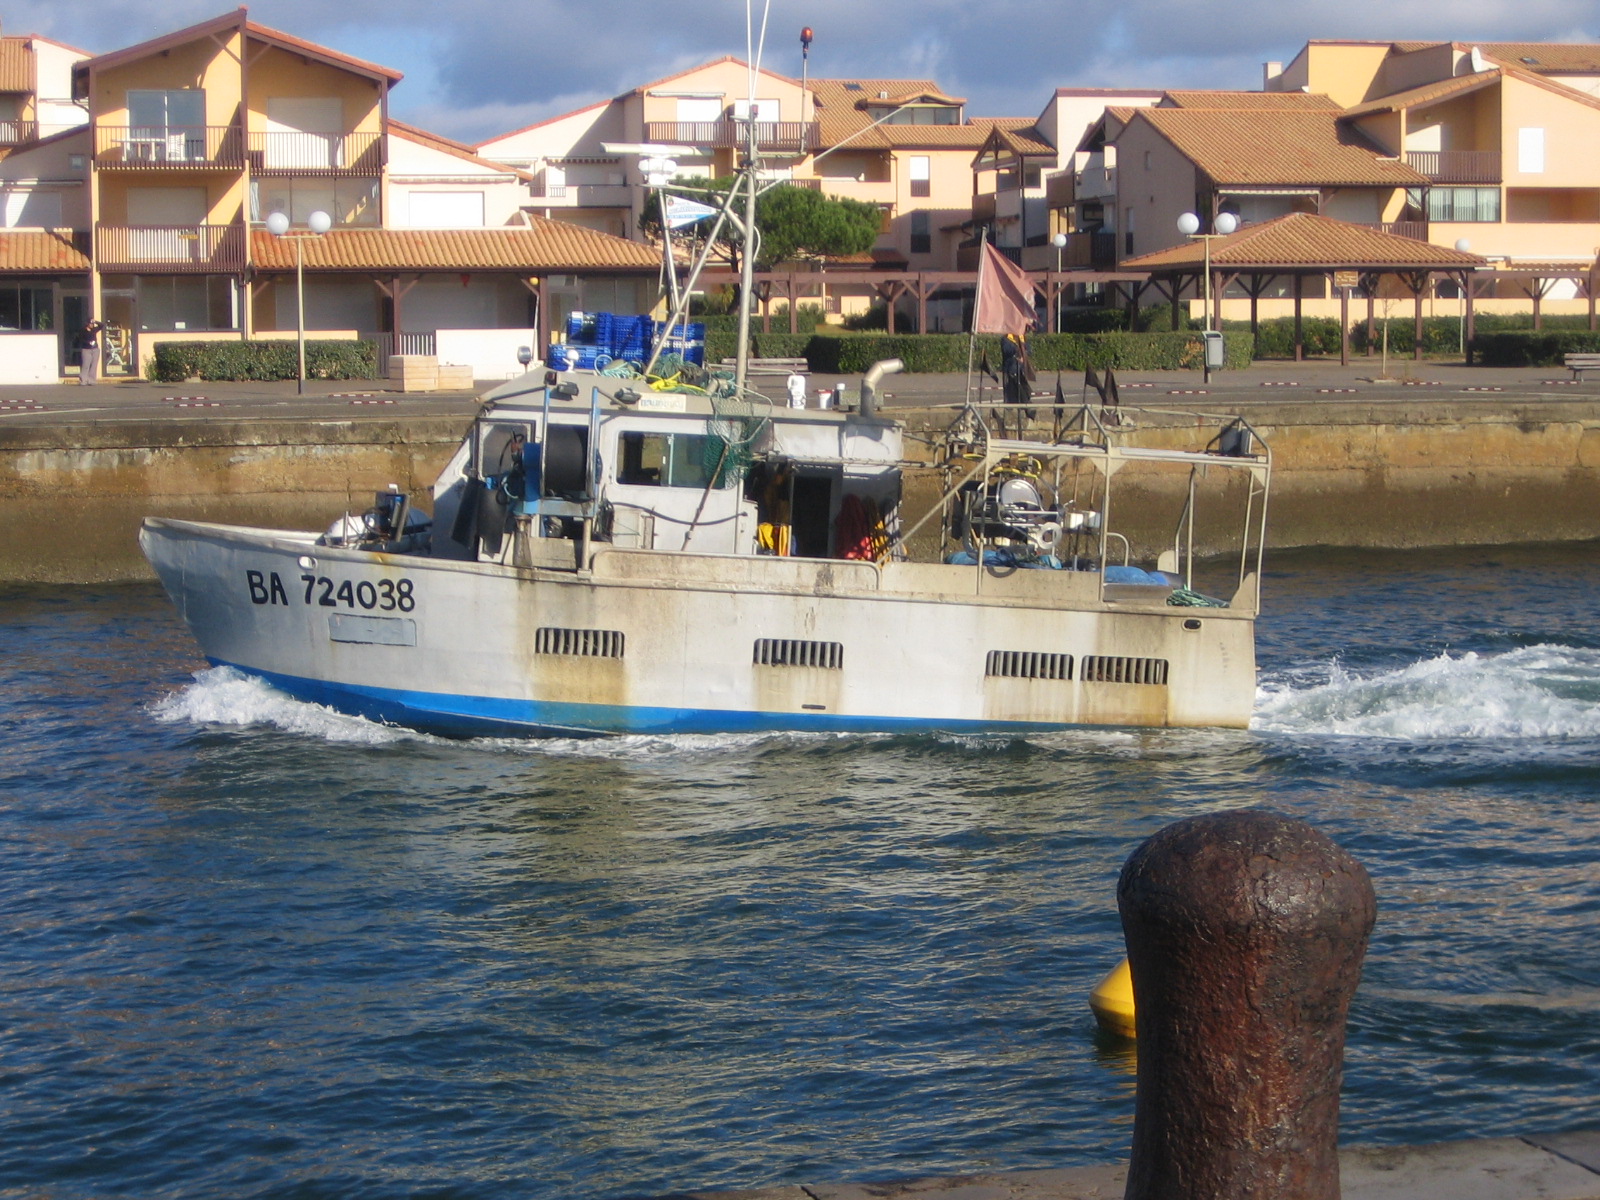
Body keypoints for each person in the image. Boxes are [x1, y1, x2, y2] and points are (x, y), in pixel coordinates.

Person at [77, 320, 104, 385]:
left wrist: (95, 321)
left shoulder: (94, 330)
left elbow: (102, 325)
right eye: (90, 323)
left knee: (94, 365)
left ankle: (91, 380)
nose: (92, 325)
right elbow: (80, 339)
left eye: (92, 324)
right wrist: (88, 342)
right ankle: (83, 380)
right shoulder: (83, 331)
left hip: (95, 349)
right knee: (85, 365)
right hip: (86, 349)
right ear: (87, 324)